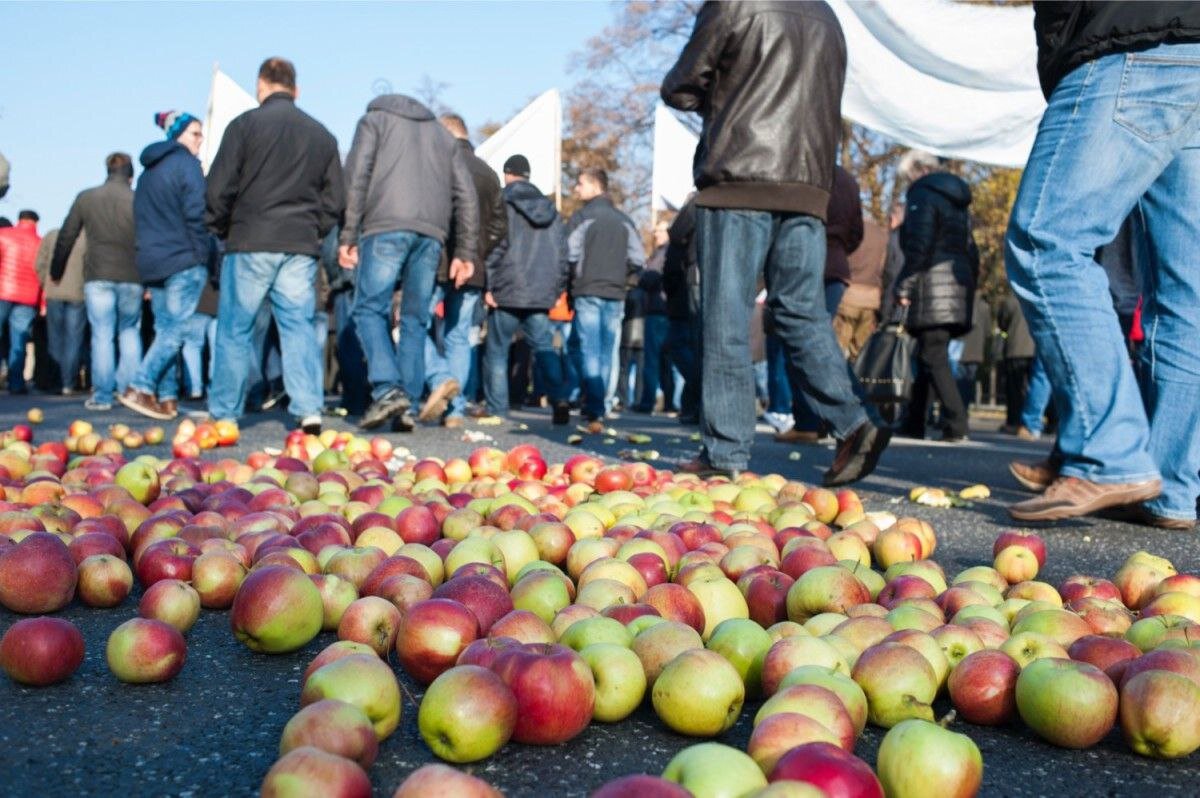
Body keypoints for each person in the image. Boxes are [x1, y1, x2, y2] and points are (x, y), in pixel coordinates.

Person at [662, 0, 890, 484]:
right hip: (809, 183)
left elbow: (681, 85)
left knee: (726, 315)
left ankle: (724, 453)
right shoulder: (828, 16)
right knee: (801, 312)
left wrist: (726, 102)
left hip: (740, 175)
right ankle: (853, 423)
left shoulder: (736, 3)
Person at [1005, 3, 1200, 527]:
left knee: (1047, 242)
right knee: (1185, 292)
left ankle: (1106, 452)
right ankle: (1170, 485)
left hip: (1129, 40)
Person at [205, 57, 344, 433]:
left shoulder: (243, 126)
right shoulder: (322, 135)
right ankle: (309, 408)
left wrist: (221, 227)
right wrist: (316, 230)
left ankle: (224, 412)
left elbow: (219, 187)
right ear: (296, 89)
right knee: (297, 327)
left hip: (249, 238)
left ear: (261, 85)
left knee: (235, 328)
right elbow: (336, 199)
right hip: (299, 242)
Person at [340, 93, 478, 432]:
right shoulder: (443, 136)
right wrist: (465, 251)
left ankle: (388, 388)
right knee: (416, 319)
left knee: (369, 308)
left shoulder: (374, 121)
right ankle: (408, 405)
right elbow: (466, 194)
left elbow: (357, 175)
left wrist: (348, 234)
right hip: (431, 232)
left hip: (385, 224)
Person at [120, 111, 210, 420]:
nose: (200, 139)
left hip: (153, 259)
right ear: (180, 135)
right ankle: (140, 385)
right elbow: (198, 213)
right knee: (176, 330)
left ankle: (167, 398)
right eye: (195, 133)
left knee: (164, 329)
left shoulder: (147, 174)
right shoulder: (187, 165)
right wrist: (202, 254)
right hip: (183, 257)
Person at [420, 114, 505, 429]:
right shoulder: (487, 172)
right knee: (458, 336)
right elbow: (499, 226)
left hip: (439, 262)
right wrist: (478, 252)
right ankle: (454, 410)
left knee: (415, 326)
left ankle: (439, 377)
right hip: (474, 268)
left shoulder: (439, 165)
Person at [893, 150, 978, 443]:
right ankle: (914, 420)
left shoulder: (923, 194)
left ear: (919, 170)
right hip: (955, 285)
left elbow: (919, 245)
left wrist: (904, 286)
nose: (908, 183)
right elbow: (972, 249)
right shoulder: (958, 201)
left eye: (908, 177)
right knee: (928, 353)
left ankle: (957, 423)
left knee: (933, 355)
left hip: (932, 285)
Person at [481, 154, 571, 423]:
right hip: (539, 293)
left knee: (497, 351)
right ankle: (560, 398)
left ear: (507, 173)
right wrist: (556, 289)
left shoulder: (503, 202)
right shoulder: (550, 209)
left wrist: (489, 283)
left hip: (507, 288)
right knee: (544, 348)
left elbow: (495, 245)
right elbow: (562, 255)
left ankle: (497, 409)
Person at [51, 153, 141, 411]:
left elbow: (67, 234)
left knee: (102, 334)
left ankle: (102, 395)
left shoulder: (87, 197)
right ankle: (129, 391)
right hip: (132, 275)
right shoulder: (137, 200)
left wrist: (57, 269)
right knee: (129, 330)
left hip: (98, 274)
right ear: (130, 174)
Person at [566, 167, 644, 433]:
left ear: (595, 186)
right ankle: (601, 403)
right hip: (615, 292)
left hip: (588, 290)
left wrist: (572, 283)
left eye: (580, 184)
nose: (576, 189)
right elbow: (638, 259)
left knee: (588, 348)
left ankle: (594, 405)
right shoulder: (625, 220)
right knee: (607, 351)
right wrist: (625, 279)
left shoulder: (582, 218)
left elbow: (569, 255)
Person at [35, 228, 87, 394]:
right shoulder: (87, 238)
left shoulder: (51, 235)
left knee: (55, 339)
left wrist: (47, 284)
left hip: (54, 292)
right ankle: (68, 383)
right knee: (73, 340)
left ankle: (55, 381)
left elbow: (39, 264)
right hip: (78, 294)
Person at [663, 197, 700, 424]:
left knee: (687, 347)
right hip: (692, 285)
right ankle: (693, 403)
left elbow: (676, 234)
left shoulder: (697, 204)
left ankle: (696, 395)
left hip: (690, 286)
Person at [834, 211, 888, 360]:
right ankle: (856, 381)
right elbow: (885, 268)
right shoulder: (882, 236)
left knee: (837, 348)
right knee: (860, 352)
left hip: (849, 295)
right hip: (871, 299)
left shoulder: (852, 232)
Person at [0, 210, 42, 393]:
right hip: (27, 298)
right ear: (36, 223)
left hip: (2, 292)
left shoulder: (3, 236)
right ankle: (16, 383)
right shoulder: (39, 243)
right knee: (19, 340)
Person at [634, 219, 671, 413]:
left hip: (658, 311)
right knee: (665, 361)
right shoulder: (662, 253)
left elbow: (651, 278)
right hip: (663, 310)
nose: (655, 234)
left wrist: (640, 275)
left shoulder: (663, 254)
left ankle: (648, 401)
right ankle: (670, 401)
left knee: (653, 360)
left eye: (660, 231)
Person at [995, 293, 1034, 433]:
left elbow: (1002, 322)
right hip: (1035, 348)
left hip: (1015, 349)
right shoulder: (1036, 298)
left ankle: (1014, 421)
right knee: (1035, 387)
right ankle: (1044, 421)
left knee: (1014, 389)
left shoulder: (1011, 301)